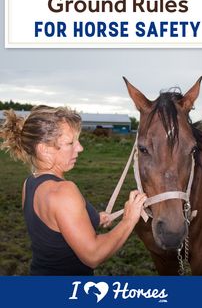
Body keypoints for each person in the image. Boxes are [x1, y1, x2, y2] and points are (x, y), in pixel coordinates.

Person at [0, 106, 146, 276]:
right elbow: (93, 255)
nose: (80, 148)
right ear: (44, 149)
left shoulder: (30, 183)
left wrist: (95, 219)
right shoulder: (63, 191)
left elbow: (55, 228)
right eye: (70, 143)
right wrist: (128, 220)